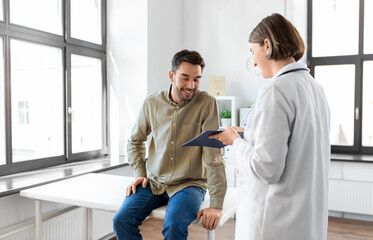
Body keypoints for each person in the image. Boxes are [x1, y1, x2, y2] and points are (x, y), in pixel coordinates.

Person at [209, 13, 330, 240]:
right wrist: (248, 134)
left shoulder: (276, 90)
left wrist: (233, 141)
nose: (253, 62)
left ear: (267, 45)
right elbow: (297, 140)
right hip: (305, 218)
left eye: (252, 52)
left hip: (273, 221)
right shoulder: (315, 88)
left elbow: (266, 168)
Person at [113, 49, 227, 240]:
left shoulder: (207, 103)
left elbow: (213, 156)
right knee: (121, 221)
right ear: (171, 75)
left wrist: (216, 205)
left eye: (197, 79)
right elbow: (135, 140)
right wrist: (140, 173)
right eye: (185, 78)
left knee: (174, 226)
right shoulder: (152, 102)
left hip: (189, 184)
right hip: (154, 181)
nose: (191, 85)